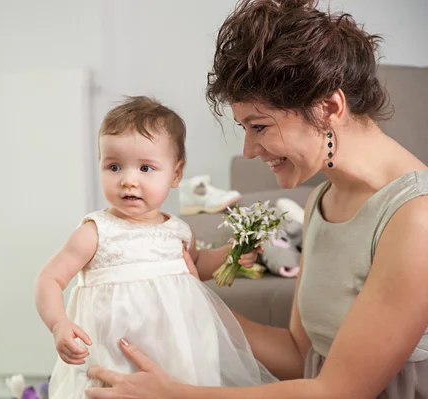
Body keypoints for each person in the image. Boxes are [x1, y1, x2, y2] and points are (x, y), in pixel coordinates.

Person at [83, 1, 428, 398]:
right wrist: (186, 297)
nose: (248, 149)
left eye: (258, 126)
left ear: (329, 107)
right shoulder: (323, 201)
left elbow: (338, 391)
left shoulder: (414, 216)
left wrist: (173, 394)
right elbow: (301, 354)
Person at [34, 96, 274, 399]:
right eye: (114, 166)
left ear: (175, 174)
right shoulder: (95, 232)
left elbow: (196, 268)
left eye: (146, 168)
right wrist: (59, 324)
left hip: (180, 355)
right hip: (116, 357)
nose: (128, 180)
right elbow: (49, 279)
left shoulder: (178, 232)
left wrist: (233, 253)